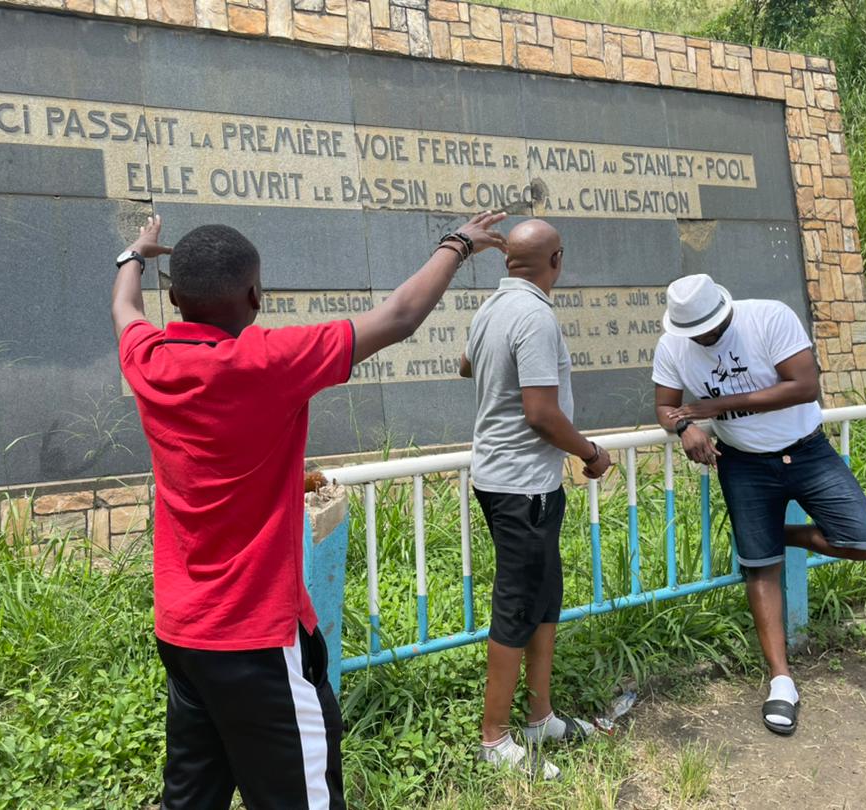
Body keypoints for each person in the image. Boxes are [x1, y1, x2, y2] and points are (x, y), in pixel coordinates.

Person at [111, 211, 507, 810]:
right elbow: (399, 316)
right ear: (254, 295)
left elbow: (125, 310)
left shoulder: (149, 360)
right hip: (257, 640)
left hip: (182, 632)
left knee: (192, 796)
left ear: (175, 296)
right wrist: (459, 244)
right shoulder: (267, 363)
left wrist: (133, 255)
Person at [652, 273, 866, 735]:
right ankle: (782, 681)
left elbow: (802, 386)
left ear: (724, 309)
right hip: (744, 464)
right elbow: (667, 407)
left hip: (808, 450)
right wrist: (684, 430)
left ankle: (775, 537)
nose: (705, 337)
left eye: (711, 328)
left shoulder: (768, 317)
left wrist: (714, 409)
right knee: (760, 568)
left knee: (865, 540)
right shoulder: (672, 347)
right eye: (695, 333)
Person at [459, 219, 611, 779]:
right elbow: (542, 414)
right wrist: (591, 453)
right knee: (519, 604)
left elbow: (466, 365)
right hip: (521, 485)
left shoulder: (489, 311)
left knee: (545, 596)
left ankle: (538, 716)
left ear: (507, 263)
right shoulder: (535, 316)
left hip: (515, 481)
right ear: (557, 259)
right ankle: (493, 736)